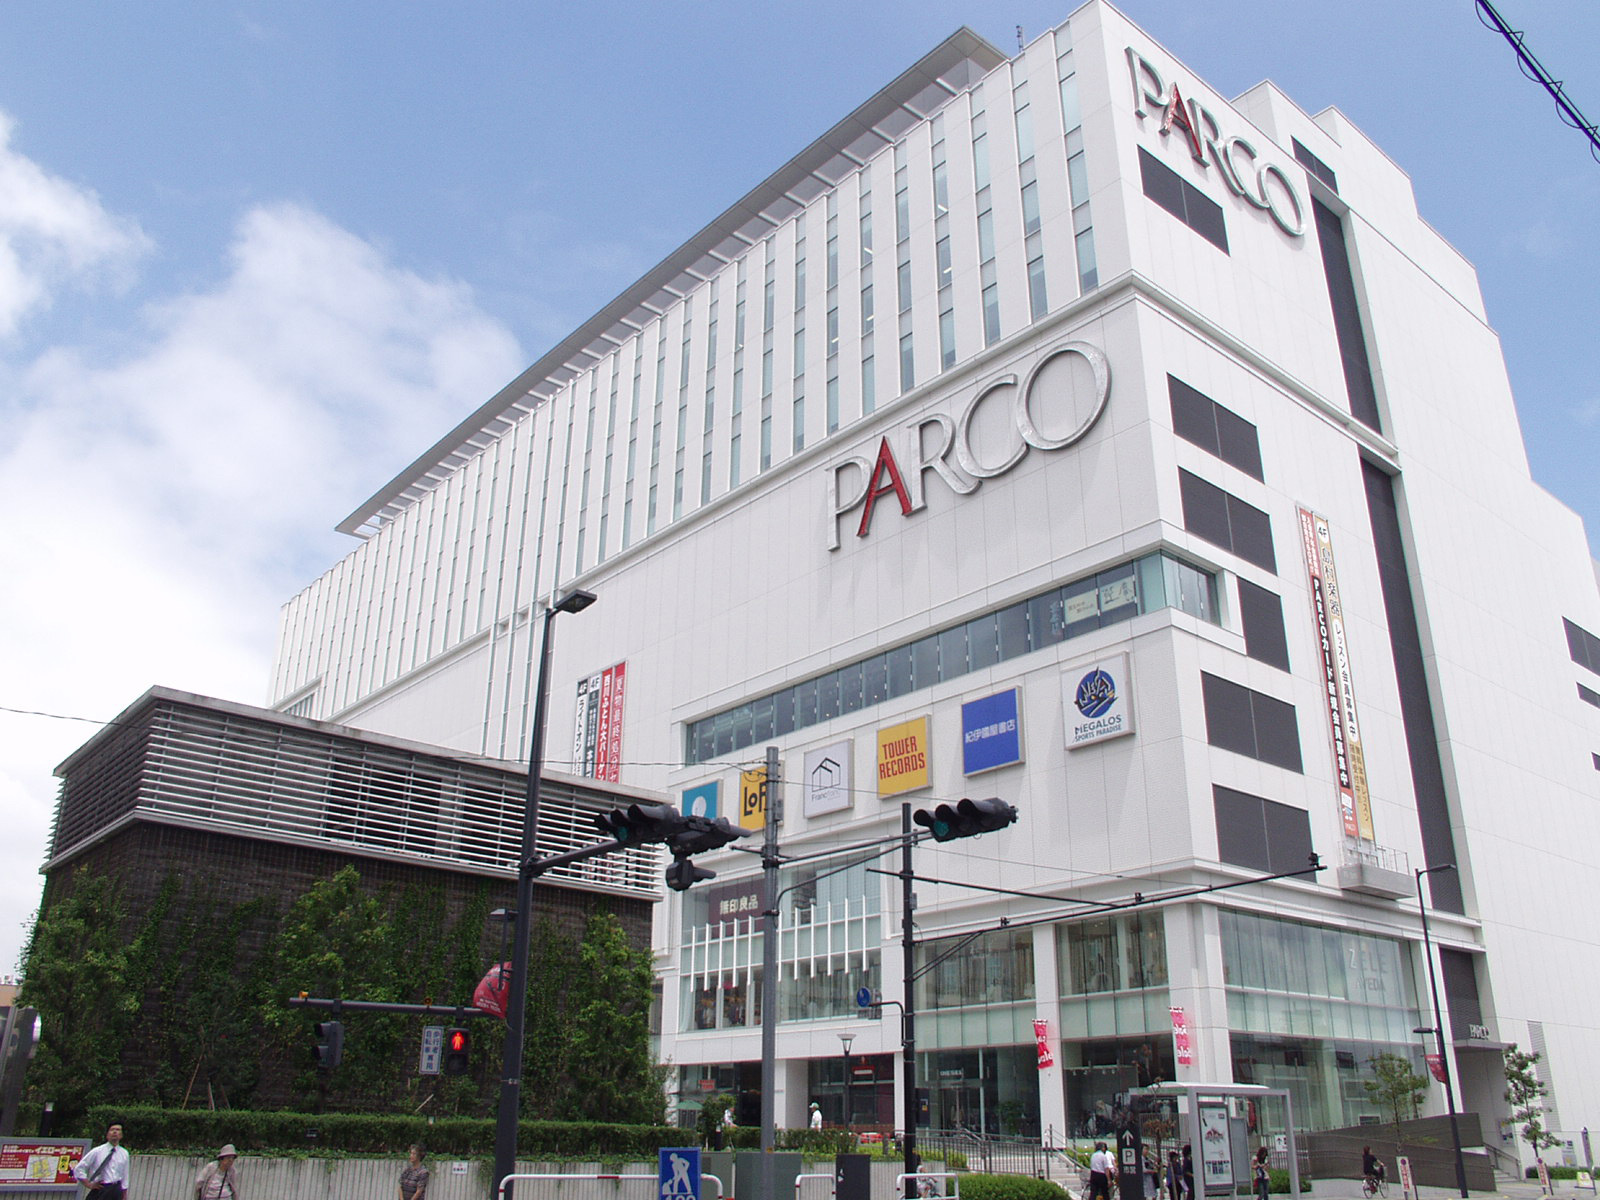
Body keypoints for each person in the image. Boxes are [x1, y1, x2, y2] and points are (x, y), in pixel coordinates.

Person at [74, 1121, 130, 1200]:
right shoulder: (97, 1151)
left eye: (118, 1130)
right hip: (101, 1188)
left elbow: (125, 1175)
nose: (115, 1132)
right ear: (107, 1135)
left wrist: (124, 1194)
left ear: (121, 1135)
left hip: (116, 1190)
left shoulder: (124, 1153)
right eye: (112, 1130)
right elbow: (79, 1168)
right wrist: (88, 1184)